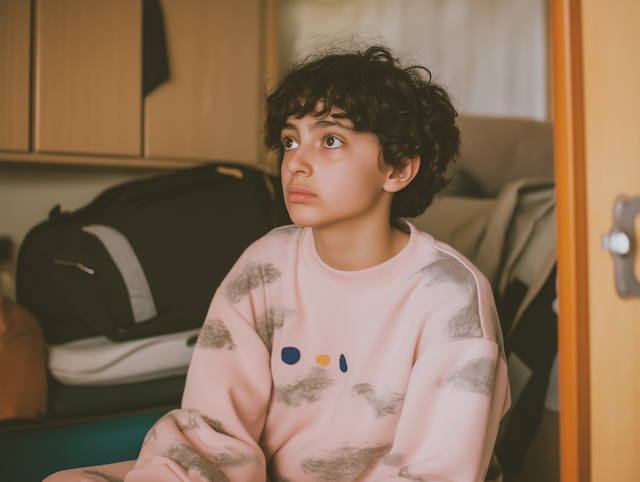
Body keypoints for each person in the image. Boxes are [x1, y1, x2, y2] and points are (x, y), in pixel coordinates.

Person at [45, 44, 509, 482]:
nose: (296, 163)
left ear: (398, 168)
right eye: (290, 140)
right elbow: (210, 432)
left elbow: (434, 469)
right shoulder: (265, 262)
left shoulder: (450, 294)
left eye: (330, 140)